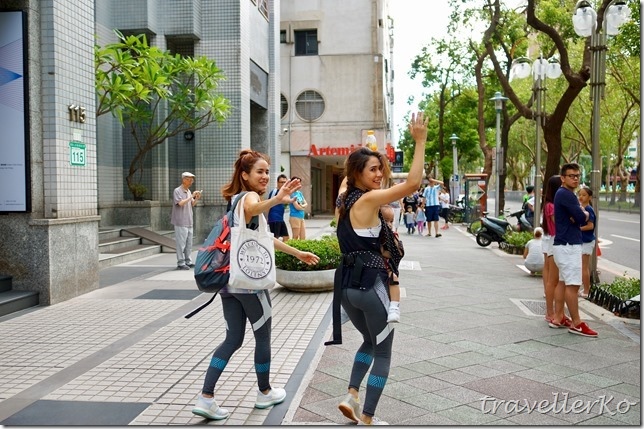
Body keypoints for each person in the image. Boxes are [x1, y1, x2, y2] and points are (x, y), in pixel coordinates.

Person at [192, 150, 320, 421]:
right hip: (250, 284)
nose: (265, 176)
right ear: (245, 175)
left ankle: (206, 397)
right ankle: (264, 391)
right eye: (259, 172)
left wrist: (297, 253)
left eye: (266, 172)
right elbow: (253, 207)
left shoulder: (234, 202)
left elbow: (263, 237)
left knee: (232, 339)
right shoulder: (249, 198)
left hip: (230, 283)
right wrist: (276, 199)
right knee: (262, 337)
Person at [332, 111, 428, 425]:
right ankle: (369, 417)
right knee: (384, 352)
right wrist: (420, 140)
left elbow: (348, 176)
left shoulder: (344, 202)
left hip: (346, 289)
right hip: (371, 287)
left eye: (381, 169)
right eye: (373, 169)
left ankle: (352, 395)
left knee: (369, 342)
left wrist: (368, 149)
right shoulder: (369, 201)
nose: (379, 174)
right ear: (359, 173)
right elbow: (413, 183)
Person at [551, 163, 597, 337]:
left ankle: (558, 317)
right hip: (569, 246)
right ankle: (577, 323)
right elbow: (580, 217)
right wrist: (582, 214)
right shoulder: (567, 195)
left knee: (563, 282)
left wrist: (578, 215)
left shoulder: (562, 194)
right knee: (573, 284)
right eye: (571, 175)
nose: (575, 178)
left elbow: (576, 217)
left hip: (563, 244)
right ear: (563, 178)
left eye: (577, 175)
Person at [542, 175, 562, 325]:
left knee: (556, 279)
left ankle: (557, 312)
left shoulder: (552, 203)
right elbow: (558, 223)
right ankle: (550, 312)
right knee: (553, 280)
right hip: (555, 241)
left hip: (556, 241)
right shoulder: (551, 205)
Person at [171, 172, 202, 270]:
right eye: (189, 179)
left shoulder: (188, 191)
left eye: (192, 180)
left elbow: (192, 204)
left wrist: (196, 198)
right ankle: (181, 263)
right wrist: (191, 196)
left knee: (189, 243)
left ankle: (188, 261)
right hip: (180, 221)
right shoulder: (177, 191)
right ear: (184, 179)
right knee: (181, 243)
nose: (191, 182)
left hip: (189, 221)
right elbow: (180, 203)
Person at [380, 205, 402, 323]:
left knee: (393, 278)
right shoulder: (375, 234)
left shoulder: (392, 235)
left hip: (387, 268)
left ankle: (394, 308)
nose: (389, 224)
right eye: (386, 220)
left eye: (391, 221)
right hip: (374, 267)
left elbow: (396, 253)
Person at [578, 186, 596, 299]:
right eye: (580, 194)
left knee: (584, 267)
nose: (581, 197)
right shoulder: (580, 207)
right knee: (581, 266)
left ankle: (586, 290)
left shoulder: (589, 209)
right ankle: (584, 288)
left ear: (589, 197)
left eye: (584, 195)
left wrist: (577, 229)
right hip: (581, 240)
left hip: (587, 241)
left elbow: (591, 226)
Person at [266, 174, 290, 242]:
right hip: (274, 219)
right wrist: (268, 218)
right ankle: (274, 252)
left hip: (280, 218)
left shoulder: (284, 193)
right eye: (281, 182)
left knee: (286, 237)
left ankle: (282, 252)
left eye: (284, 182)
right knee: (275, 238)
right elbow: (268, 205)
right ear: (277, 182)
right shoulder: (274, 192)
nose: (283, 184)